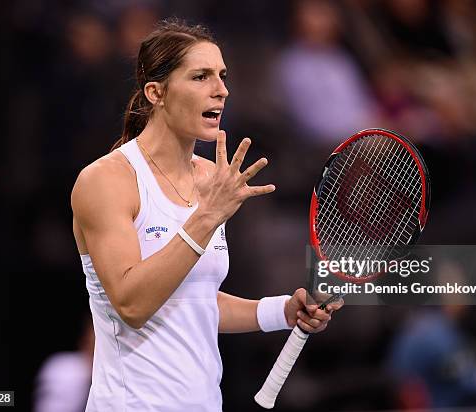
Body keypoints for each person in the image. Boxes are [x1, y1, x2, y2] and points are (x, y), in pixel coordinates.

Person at [71, 19, 342, 411]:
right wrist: (206, 217)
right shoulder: (107, 180)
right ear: (156, 92)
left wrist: (281, 311)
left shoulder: (212, 179)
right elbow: (132, 305)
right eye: (201, 77)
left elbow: (193, 303)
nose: (222, 90)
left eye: (222, 75)